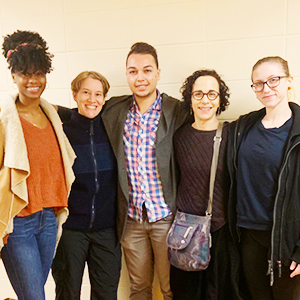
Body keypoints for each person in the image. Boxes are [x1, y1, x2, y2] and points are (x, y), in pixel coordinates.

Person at [102, 42, 189, 300]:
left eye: (147, 70)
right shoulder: (114, 110)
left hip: (165, 217)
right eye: (133, 71)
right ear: (127, 75)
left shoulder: (177, 110)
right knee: (139, 289)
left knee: (171, 288)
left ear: (158, 73)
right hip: (131, 220)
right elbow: (83, 110)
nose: (140, 77)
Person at [0, 30, 75, 300]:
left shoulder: (51, 113)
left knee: (34, 294)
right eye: (25, 73)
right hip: (19, 223)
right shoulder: (5, 118)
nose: (33, 80)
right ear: (13, 76)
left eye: (39, 73)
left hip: (49, 219)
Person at [227, 56, 300, 300]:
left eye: (273, 80)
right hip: (249, 234)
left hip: (287, 238)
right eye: (258, 83)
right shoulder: (244, 127)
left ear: (289, 82)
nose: (266, 88)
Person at [52, 71, 121, 300]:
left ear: (105, 99)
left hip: (107, 230)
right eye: (86, 93)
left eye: (98, 94)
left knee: (106, 294)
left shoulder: (112, 126)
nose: (92, 99)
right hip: (71, 229)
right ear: (75, 95)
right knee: (67, 293)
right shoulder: (62, 129)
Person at [169, 69, 232, 299]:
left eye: (212, 94)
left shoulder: (232, 135)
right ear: (190, 99)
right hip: (186, 234)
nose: (205, 100)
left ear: (219, 100)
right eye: (198, 94)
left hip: (221, 233)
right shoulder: (179, 137)